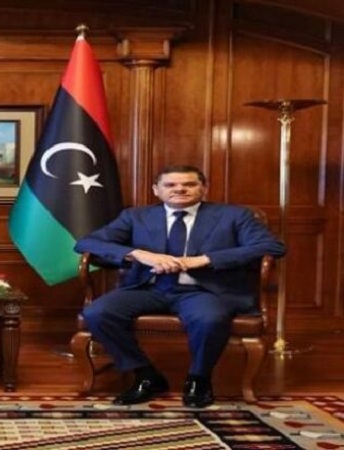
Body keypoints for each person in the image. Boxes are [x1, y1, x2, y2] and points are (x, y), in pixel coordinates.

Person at [73, 165, 285, 408]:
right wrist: (138, 254)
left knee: (209, 319)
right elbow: (86, 243)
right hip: (148, 288)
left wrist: (205, 259)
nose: (180, 189)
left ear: (204, 188)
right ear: (156, 190)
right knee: (97, 313)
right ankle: (145, 375)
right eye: (170, 185)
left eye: (189, 184)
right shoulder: (135, 216)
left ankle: (199, 379)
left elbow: (271, 246)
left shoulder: (234, 215)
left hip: (203, 290)